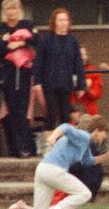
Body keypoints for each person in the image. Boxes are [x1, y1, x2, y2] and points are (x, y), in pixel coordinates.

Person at [2, 115, 109, 209]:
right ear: (98, 130)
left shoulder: (84, 144)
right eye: (105, 133)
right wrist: (53, 137)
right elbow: (65, 127)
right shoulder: (84, 136)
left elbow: (88, 162)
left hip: (43, 170)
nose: (105, 137)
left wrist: (107, 157)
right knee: (85, 193)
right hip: (54, 170)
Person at [0, 0, 39, 158]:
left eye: (14, 9)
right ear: (4, 12)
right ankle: (17, 147)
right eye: (8, 9)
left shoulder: (27, 24)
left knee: (23, 109)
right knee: (11, 110)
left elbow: (36, 40)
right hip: (7, 74)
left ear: (19, 10)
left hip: (24, 72)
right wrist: (9, 44)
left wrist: (18, 43)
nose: (12, 12)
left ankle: (27, 147)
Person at [33, 8, 86, 138]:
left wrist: (81, 85)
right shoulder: (46, 40)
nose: (63, 22)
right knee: (52, 114)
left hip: (66, 83)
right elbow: (38, 62)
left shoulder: (72, 40)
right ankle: (49, 145)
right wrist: (37, 82)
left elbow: (78, 63)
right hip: (50, 83)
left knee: (65, 115)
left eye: (65, 20)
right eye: (60, 20)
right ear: (54, 22)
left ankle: (63, 146)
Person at [71, 46, 103, 115]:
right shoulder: (67, 72)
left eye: (85, 54)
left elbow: (97, 94)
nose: (84, 57)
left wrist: (87, 89)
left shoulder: (93, 71)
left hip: (90, 113)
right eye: (80, 55)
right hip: (73, 114)